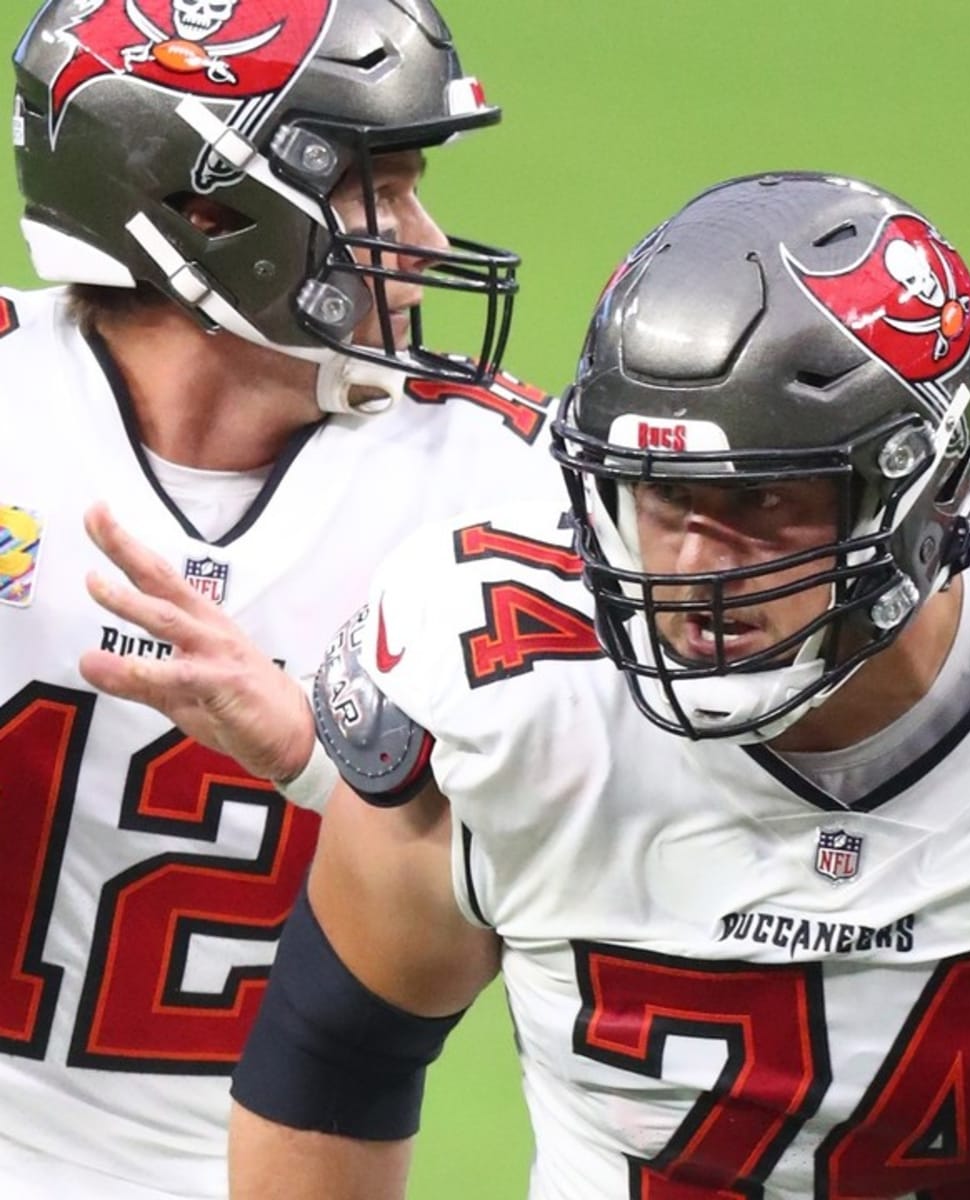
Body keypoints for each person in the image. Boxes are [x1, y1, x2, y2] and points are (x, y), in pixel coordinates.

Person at [84, 172, 970, 1198]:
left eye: (763, 505)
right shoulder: (504, 687)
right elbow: (336, 1051)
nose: (693, 572)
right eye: (662, 499)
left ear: (926, 495)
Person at [0, 0, 562, 1195]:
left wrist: (327, 756)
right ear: (207, 211)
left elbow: (627, 884)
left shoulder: (511, 486)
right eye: (382, 188)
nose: (425, 234)